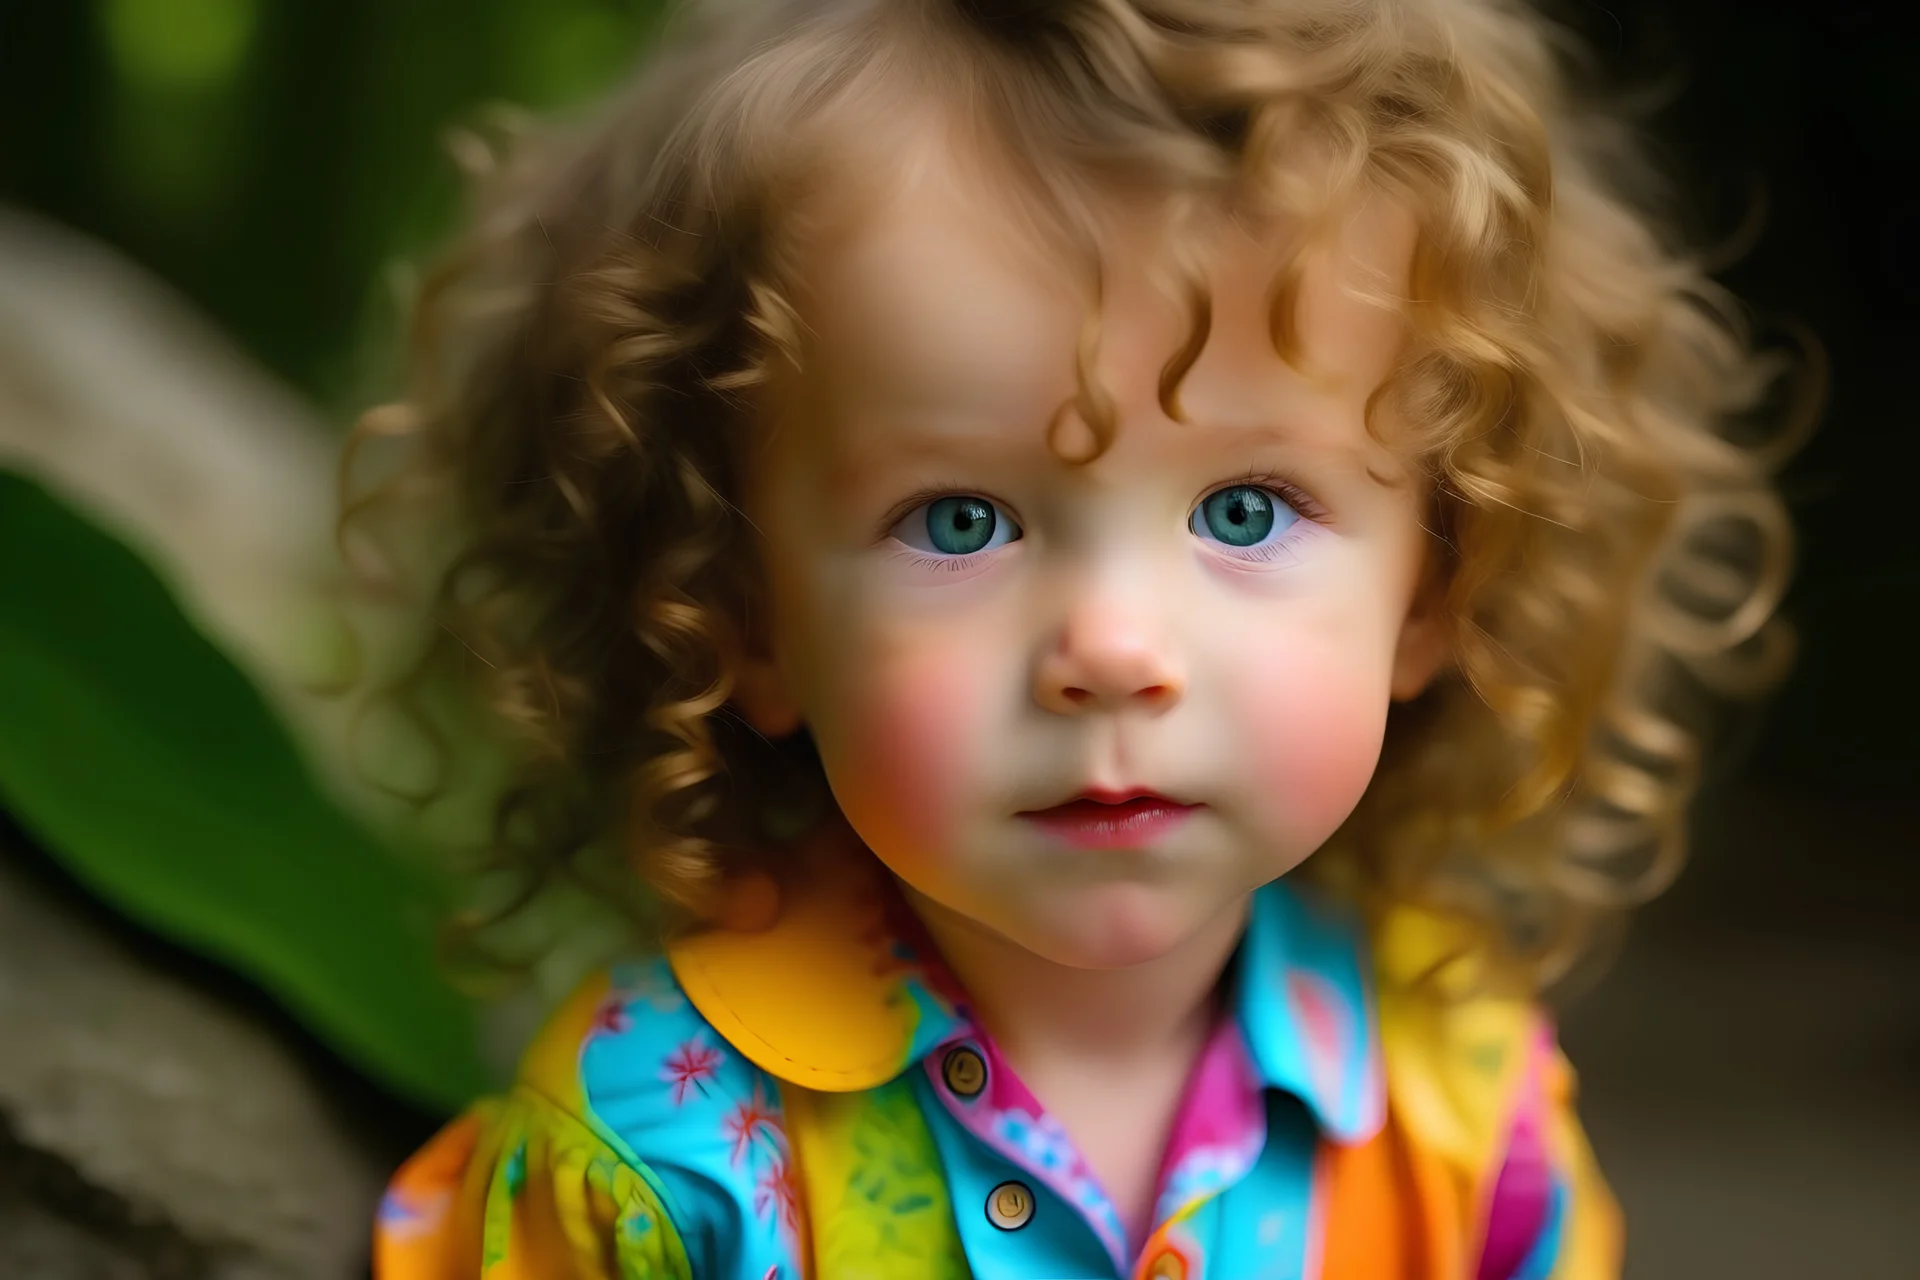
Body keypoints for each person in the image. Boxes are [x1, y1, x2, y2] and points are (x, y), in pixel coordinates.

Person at [357, 0, 1798, 1275]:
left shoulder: (1467, 1113)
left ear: (1436, 591)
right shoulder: (657, 1163)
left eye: (1244, 511)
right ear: (738, 613)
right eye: (963, 522)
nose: (1112, 650)